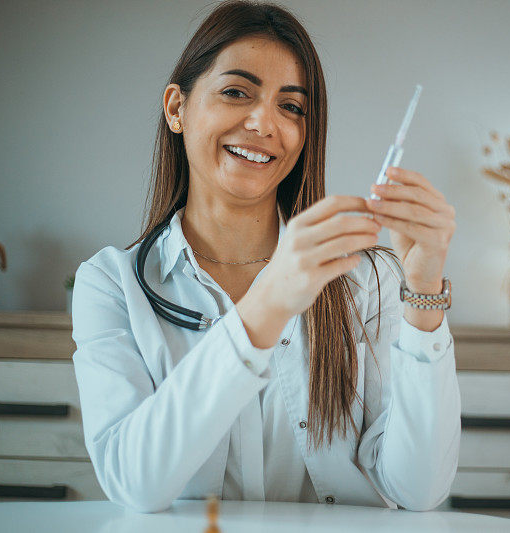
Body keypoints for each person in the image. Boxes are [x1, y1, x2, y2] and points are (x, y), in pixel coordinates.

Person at [71, 0, 459, 514]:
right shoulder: (110, 284)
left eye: (292, 106)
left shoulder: (368, 279)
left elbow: (418, 491)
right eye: (236, 92)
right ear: (176, 108)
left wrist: (424, 293)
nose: (264, 123)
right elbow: (135, 483)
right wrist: (269, 304)